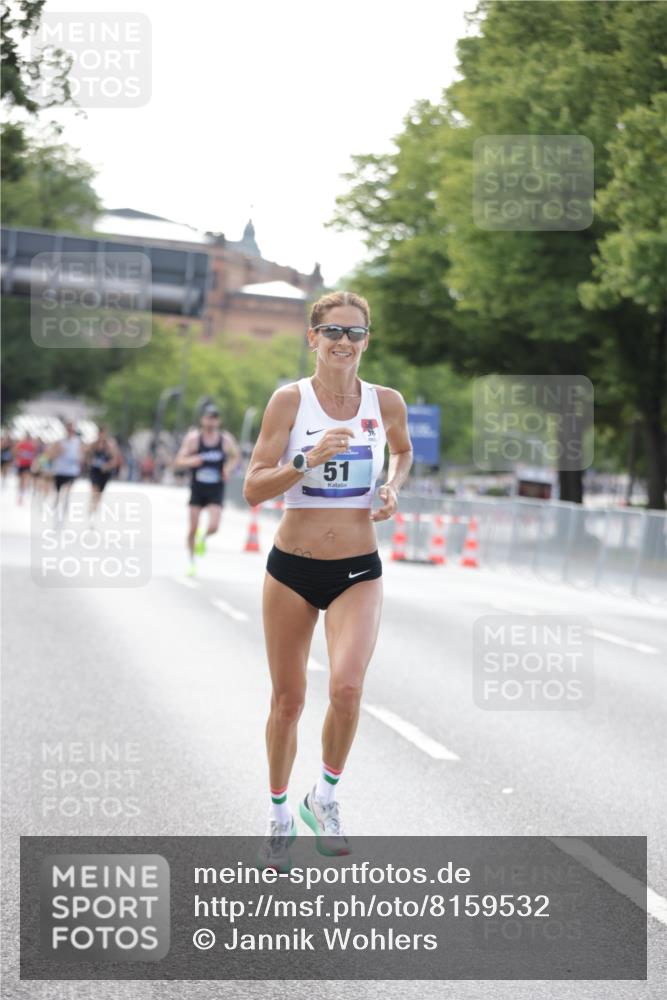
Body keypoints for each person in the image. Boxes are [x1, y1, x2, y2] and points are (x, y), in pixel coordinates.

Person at [243, 290, 413, 870]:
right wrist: (305, 461)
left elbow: (403, 452)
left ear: (368, 341)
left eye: (356, 333)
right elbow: (253, 487)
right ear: (312, 338)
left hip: (358, 568)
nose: (345, 342)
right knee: (288, 701)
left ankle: (327, 797)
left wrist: (391, 487)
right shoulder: (288, 402)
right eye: (334, 332)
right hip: (291, 567)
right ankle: (278, 813)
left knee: (346, 688)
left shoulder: (385, 401)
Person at [175, 404, 240, 576]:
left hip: (216, 489)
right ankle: (192, 562)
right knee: (192, 528)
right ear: (202, 420)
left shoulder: (225, 440)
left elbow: (235, 456)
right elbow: (179, 460)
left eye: (214, 418)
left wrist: (228, 468)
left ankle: (203, 538)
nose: (211, 421)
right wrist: (192, 461)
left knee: (214, 526)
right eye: (208, 418)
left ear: (218, 421)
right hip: (198, 488)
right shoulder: (194, 439)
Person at [48, 420, 84, 521]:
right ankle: (56, 507)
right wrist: (58, 452)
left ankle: (65, 506)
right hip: (60, 470)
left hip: (72, 471)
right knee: (58, 492)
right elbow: (51, 455)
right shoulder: (59, 442)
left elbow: (81, 455)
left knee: (68, 489)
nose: (70, 431)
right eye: (68, 429)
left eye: (72, 429)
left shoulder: (77, 442)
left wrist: (80, 460)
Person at [86, 426, 121, 518]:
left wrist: (107, 466)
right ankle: (92, 506)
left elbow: (114, 459)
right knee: (94, 489)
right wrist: (90, 461)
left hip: (105, 472)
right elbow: (87, 456)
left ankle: (94, 507)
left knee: (100, 493)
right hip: (95, 470)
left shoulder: (109, 446)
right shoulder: (93, 445)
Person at [13, 432, 38, 504]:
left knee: (23, 480)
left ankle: (21, 496)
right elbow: (15, 452)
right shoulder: (22, 444)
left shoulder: (31, 445)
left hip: (26, 465)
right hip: (22, 464)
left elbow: (34, 455)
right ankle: (20, 495)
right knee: (22, 480)